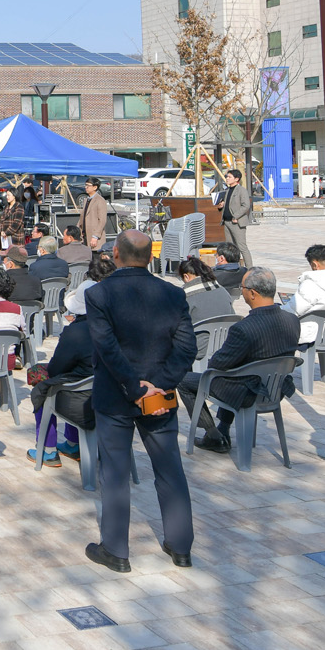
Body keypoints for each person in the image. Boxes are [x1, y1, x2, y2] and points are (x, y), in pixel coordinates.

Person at [84, 229, 197, 573]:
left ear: (115, 254)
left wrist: (137, 388)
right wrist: (159, 386)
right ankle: (181, 546)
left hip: (116, 396)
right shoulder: (172, 293)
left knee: (115, 474)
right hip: (158, 398)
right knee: (170, 469)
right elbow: (187, 348)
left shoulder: (99, 293)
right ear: (150, 257)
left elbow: (107, 349)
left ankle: (116, 550)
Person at [176, 267, 299, 454]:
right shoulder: (292, 320)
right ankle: (223, 428)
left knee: (184, 380)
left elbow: (217, 364)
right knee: (235, 373)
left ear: (253, 293)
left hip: (247, 391)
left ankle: (213, 435)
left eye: (242, 288)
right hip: (276, 389)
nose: (241, 292)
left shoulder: (244, 328)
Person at [27, 254, 111, 466]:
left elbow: (56, 368)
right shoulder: (116, 326)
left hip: (81, 399)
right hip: (111, 394)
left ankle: (48, 449)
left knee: (44, 386)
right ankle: (72, 443)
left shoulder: (75, 332)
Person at [179, 257, 234, 323]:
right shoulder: (223, 291)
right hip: (224, 328)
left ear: (186, 277)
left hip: (197, 329)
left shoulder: (184, 297)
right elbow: (233, 317)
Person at [222, 169, 253, 266]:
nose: (227, 178)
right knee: (230, 248)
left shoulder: (241, 190)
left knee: (242, 247)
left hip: (237, 223)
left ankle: (250, 269)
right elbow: (228, 205)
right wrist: (221, 206)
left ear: (236, 179)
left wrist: (236, 216)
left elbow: (246, 205)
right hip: (226, 222)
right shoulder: (227, 190)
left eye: (229, 177)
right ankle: (234, 268)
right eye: (227, 177)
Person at [79, 178, 111, 250]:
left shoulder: (100, 200)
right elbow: (82, 218)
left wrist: (95, 236)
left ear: (95, 187)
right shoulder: (86, 200)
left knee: (95, 256)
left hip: (94, 238)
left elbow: (102, 220)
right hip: (85, 236)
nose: (86, 187)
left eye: (88, 185)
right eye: (85, 185)